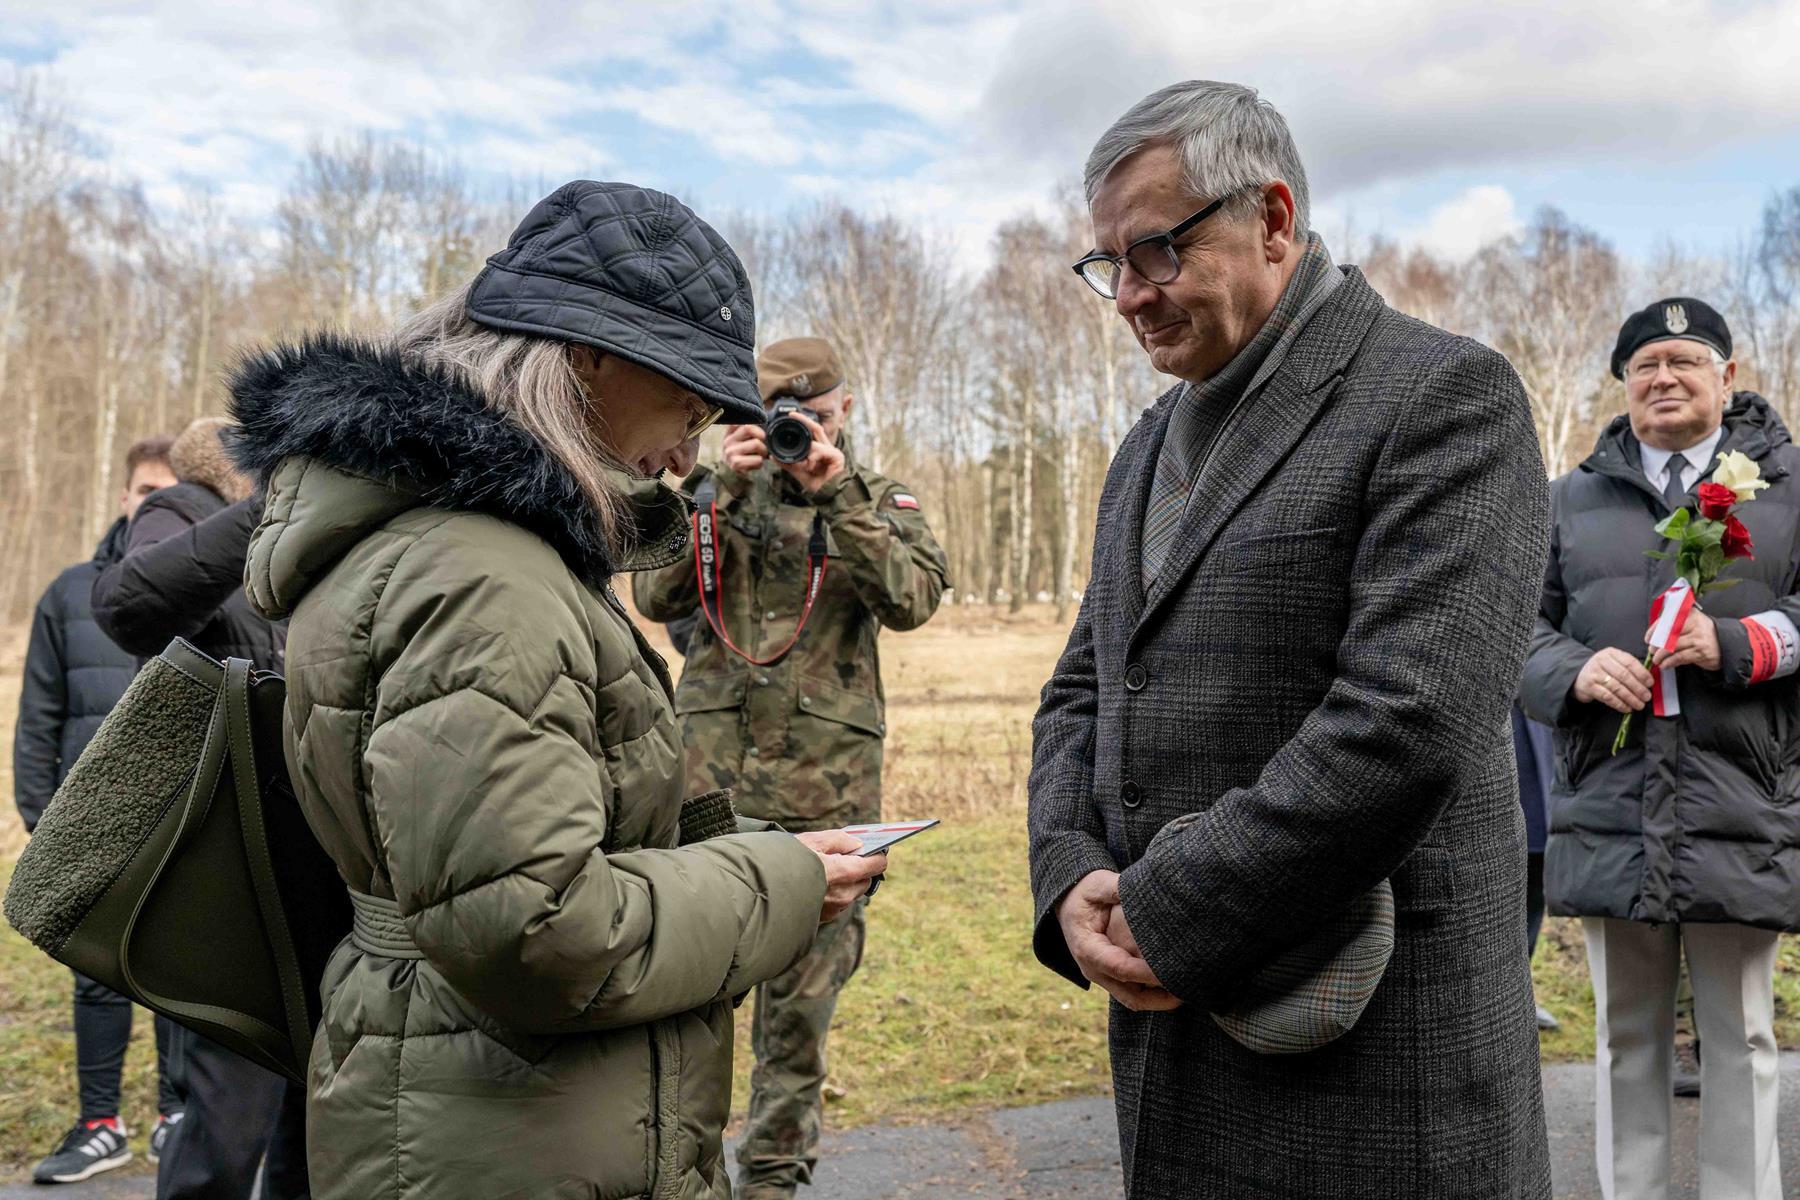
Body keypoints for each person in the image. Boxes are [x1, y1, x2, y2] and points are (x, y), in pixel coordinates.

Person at [220, 179, 885, 1200]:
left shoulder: (451, 541)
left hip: (477, 1105)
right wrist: (783, 881)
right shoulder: (481, 576)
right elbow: (540, 929)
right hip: (506, 1130)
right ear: (591, 356)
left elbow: (514, 849)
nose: (688, 451)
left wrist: (754, 846)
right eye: (689, 404)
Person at [1027, 80, 1552, 1198]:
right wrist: (1069, 873)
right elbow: (1084, 685)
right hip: (1177, 1036)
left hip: (1374, 1061)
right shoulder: (1144, 446)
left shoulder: (1443, 397)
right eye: (1108, 263)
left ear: (1271, 219)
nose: (1128, 295)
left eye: (1156, 252)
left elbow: (1407, 724)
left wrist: (1166, 909)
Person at [633, 337, 949, 1198]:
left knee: (800, 1020)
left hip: (829, 794)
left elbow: (912, 600)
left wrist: (835, 488)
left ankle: (771, 1183)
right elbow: (654, 597)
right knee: (691, 1004)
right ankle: (683, 1180)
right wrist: (720, 491)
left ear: (844, 408)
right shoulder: (712, 493)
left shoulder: (877, 497)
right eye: (782, 418)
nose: (800, 430)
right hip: (710, 793)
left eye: (817, 413)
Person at [1520, 297, 1794, 1200]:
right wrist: (1574, 671)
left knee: (1741, 1034)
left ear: (1727, 373)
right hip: (1610, 801)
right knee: (1624, 1034)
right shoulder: (1567, 501)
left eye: (1684, 359)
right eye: (1645, 365)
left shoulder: (1788, 493)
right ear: (1625, 386)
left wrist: (1741, 645)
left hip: (1740, 801)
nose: (1664, 377)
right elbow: (1509, 635)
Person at [90, 416, 305, 1200]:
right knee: (226, 1118)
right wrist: (265, 507)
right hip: (224, 859)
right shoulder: (183, 506)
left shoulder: (312, 530)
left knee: (316, 1121)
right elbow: (129, 601)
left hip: (316, 858)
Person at [14, 435, 180, 1185]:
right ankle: (100, 1123)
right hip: (88, 831)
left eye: (169, 491)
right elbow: (37, 722)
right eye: (145, 491)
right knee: (95, 979)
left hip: (183, 826)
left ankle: (178, 1117)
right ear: (124, 497)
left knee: (186, 976)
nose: (154, 505)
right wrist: (45, 822)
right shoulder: (67, 592)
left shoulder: (210, 588)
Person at [1510, 704, 1558, 1030]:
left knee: (1533, 896)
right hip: (1509, 755)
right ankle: (1505, 998)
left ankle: (1520, 995)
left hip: (1540, 783)